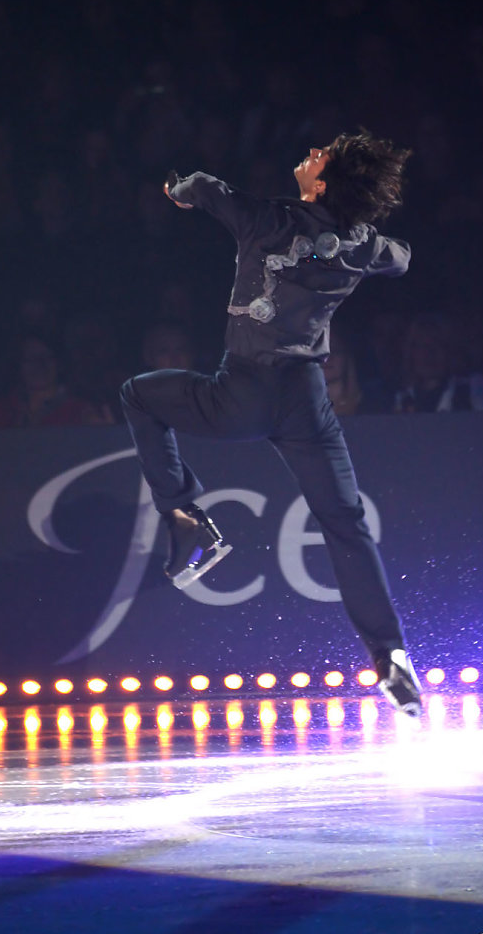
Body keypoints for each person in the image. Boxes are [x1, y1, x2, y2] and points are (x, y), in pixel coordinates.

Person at [120, 132, 422, 717]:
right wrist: (348, 242)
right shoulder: (363, 246)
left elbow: (207, 188)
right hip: (307, 401)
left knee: (138, 395)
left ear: (322, 181)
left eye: (320, 157)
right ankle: (390, 656)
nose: (310, 154)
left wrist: (176, 189)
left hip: (245, 389)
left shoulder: (269, 220)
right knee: (344, 522)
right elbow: (402, 256)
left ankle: (186, 516)